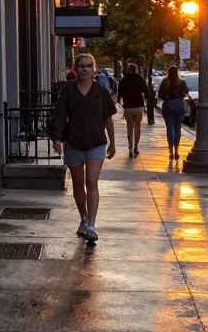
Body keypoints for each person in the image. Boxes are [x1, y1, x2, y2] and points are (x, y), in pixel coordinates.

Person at [49, 52, 117, 243]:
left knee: (91, 182)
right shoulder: (68, 90)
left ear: (94, 69)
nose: (85, 69)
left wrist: (112, 142)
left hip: (96, 143)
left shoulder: (101, 90)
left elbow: (108, 118)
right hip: (74, 143)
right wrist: (56, 138)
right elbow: (60, 115)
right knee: (78, 184)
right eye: (81, 66)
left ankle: (92, 226)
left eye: (88, 66)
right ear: (75, 69)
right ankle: (84, 219)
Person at [117, 62, 151, 157]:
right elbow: (146, 91)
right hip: (138, 106)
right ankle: (136, 147)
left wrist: (119, 99)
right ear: (136, 69)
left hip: (128, 106)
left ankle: (130, 147)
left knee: (129, 127)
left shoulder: (124, 79)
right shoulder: (139, 78)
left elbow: (119, 92)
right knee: (137, 127)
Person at [158, 64, 188, 161]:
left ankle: (171, 151)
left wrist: (167, 97)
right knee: (178, 128)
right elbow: (186, 93)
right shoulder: (181, 82)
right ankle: (176, 150)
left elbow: (160, 95)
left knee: (170, 129)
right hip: (179, 106)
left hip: (168, 107)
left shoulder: (165, 82)